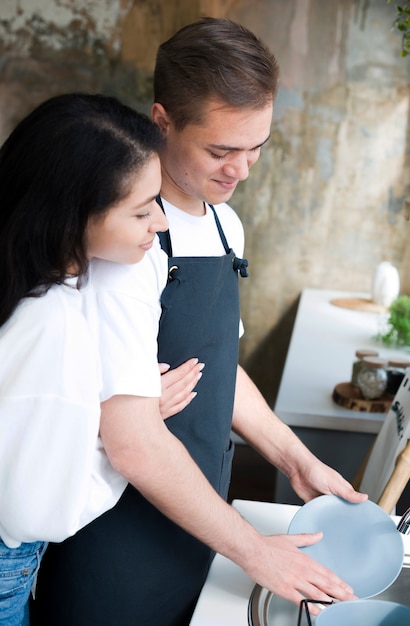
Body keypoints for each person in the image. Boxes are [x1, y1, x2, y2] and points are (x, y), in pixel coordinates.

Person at [34, 19, 367, 626]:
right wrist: (255, 552)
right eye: (220, 150)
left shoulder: (223, 221)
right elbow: (132, 441)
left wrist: (296, 461)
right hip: (119, 543)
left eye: (256, 146)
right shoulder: (125, 242)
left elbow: (216, 366)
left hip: (201, 520)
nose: (241, 170)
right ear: (161, 120)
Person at [0, 91, 176, 626]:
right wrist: (117, 436)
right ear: (77, 212)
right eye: (142, 210)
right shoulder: (51, 324)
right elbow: (31, 514)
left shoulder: (29, 282)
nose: (161, 224)